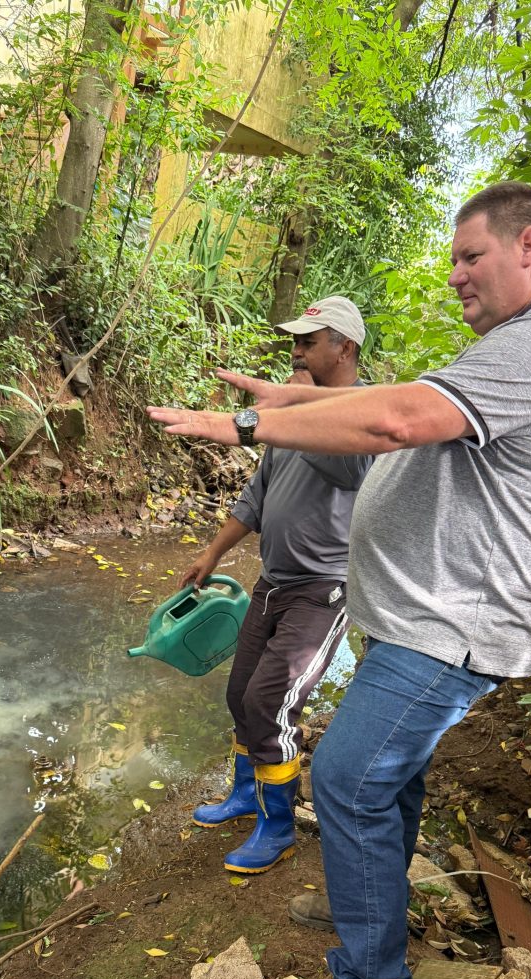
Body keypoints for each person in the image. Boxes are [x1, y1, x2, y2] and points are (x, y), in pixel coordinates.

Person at [148, 182, 531, 979]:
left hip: (458, 626)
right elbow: (408, 396)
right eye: (451, 260)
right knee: (388, 779)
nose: (454, 276)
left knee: (347, 780)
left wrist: (247, 421)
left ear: (530, 246)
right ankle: (360, 895)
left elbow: (400, 416)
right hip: (421, 619)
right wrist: (282, 399)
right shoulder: (529, 340)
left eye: (468, 257)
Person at [184, 296, 373, 873]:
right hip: (273, 583)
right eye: (296, 341)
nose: (296, 351)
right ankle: (246, 794)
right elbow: (257, 498)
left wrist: (294, 416)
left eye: (309, 342)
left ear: (344, 347)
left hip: (325, 589)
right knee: (241, 692)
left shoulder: (366, 411)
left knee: (271, 701)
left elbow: (351, 471)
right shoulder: (287, 424)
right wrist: (212, 554)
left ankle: (278, 824)